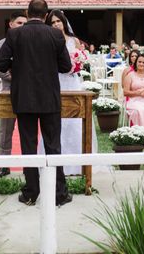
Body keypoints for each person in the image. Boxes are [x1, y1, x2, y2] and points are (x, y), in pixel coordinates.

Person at [0, 0, 73, 207]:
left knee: (28, 146)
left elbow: (0, 63)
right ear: (46, 15)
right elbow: (66, 66)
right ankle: (59, 193)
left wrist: (18, 65)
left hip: (24, 97)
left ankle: (31, 192)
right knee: (53, 146)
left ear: (27, 13)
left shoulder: (15, 34)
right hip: (49, 97)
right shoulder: (55, 34)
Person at [44, 9, 97, 175]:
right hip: (57, 81)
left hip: (72, 81)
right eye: (52, 23)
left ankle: (77, 163)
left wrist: (77, 64)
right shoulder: (48, 39)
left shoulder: (73, 40)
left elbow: (81, 58)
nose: (56, 24)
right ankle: (56, 163)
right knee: (57, 120)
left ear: (63, 22)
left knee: (75, 120)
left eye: (58, 21)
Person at [0, 10, 27, 178]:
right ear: (11, 24)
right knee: (6, 129)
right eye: (19, 23)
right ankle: (4, 164)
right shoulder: (1, 44)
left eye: (25, 24)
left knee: (27, 129)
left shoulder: (31, 42)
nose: (22, 26)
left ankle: (30, 165)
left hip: (28, 93)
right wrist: (13, 76)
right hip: (8, 91)